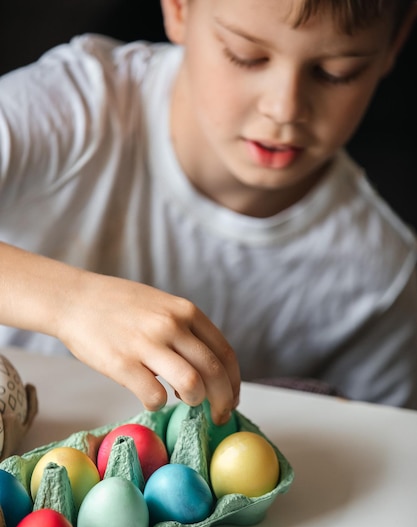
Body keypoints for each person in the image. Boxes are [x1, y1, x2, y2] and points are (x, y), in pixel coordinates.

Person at [0, 0, 416, 425]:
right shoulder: (74, 105)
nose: (284, 109)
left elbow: (385, 449)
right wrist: (72, 302)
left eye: (336, 72)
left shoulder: (381, 276)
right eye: (246, 56)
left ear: (393, 44)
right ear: (179, 9)